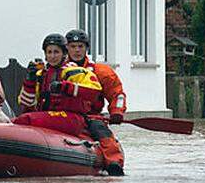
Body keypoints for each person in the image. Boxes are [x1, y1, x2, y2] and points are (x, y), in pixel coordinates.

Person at [15, 32, 125, 175]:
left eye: (80, 46)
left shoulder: (91, 72)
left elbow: (114, 93)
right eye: (73, 47)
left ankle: (114, 162)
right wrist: (29, 81)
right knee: (25, 119)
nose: (77, 50)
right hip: (49, 114)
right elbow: (27, 102)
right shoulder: (42, 73)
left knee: (101, 131)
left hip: (87, 115)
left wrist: (117, 112)